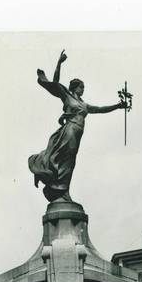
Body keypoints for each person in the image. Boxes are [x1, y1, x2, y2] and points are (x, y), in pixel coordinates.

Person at [28, 50, 127, 202]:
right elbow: (54, 83)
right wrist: (59, 63)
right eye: (82, 87)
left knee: (70, 162)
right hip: (70, 130)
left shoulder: (84, 104)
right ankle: (55, 184)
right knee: (63, 158)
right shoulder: (67, 96)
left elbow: (100, 109)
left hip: (78, 134)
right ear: (75, 88)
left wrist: (118, 106)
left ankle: (62, 190)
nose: (83, 89)